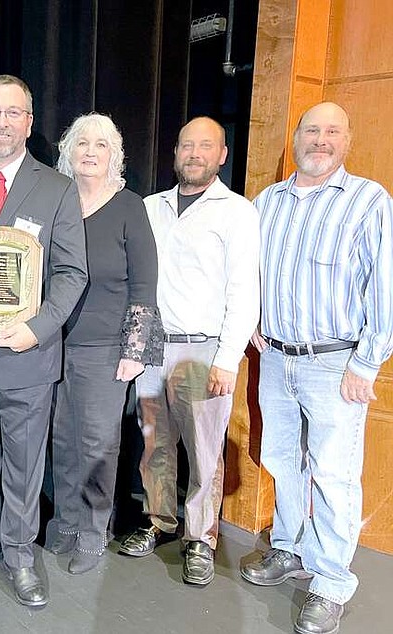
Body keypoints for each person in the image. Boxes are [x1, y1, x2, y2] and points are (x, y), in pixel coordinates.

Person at [240, 102, 393, 634]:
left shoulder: (369, 200)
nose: (320, 140)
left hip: (337, 364)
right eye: (311, 130)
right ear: (295, 138)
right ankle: (288, 547)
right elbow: (251, 270)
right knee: (285, 461)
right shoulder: (267, 202)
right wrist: (254, 320)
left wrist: (368, 363)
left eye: (332, 132)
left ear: (347, 141)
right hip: (277, 357)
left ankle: (330, 581)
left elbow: (385, 286)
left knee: (332, 473)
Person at [0, 74, 88, 606]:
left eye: (12, 112)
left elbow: (73, 273)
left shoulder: (56, 188)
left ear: (28, 122)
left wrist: (38, 326)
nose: (1, 122)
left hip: (28, 354)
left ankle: (21, 556)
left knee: (26, 466)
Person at [118, 117, 259, 587]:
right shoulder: (150, 207)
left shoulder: (236, 212)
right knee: (155, 445)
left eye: (206, 146)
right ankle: (159, 521)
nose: (195, 153)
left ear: (222, 155)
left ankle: (201, 538)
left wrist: (228, 358)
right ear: (175, 152)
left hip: (204, 351)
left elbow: (244, 291)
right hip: (154, 347)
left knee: (204, 452)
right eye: (187, 145)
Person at [49, 113, 163, 574]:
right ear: (68, 152)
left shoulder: (128, 206)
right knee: (61, 442)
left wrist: (135, 351)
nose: (90, 151)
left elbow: (145, 283)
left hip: (105, 350)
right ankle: (67, 523)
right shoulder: (55, 203)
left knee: (97, 444)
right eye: (81, 143)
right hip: (52, 345)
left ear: (113, 155)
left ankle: (95, 533)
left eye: (100, 144)